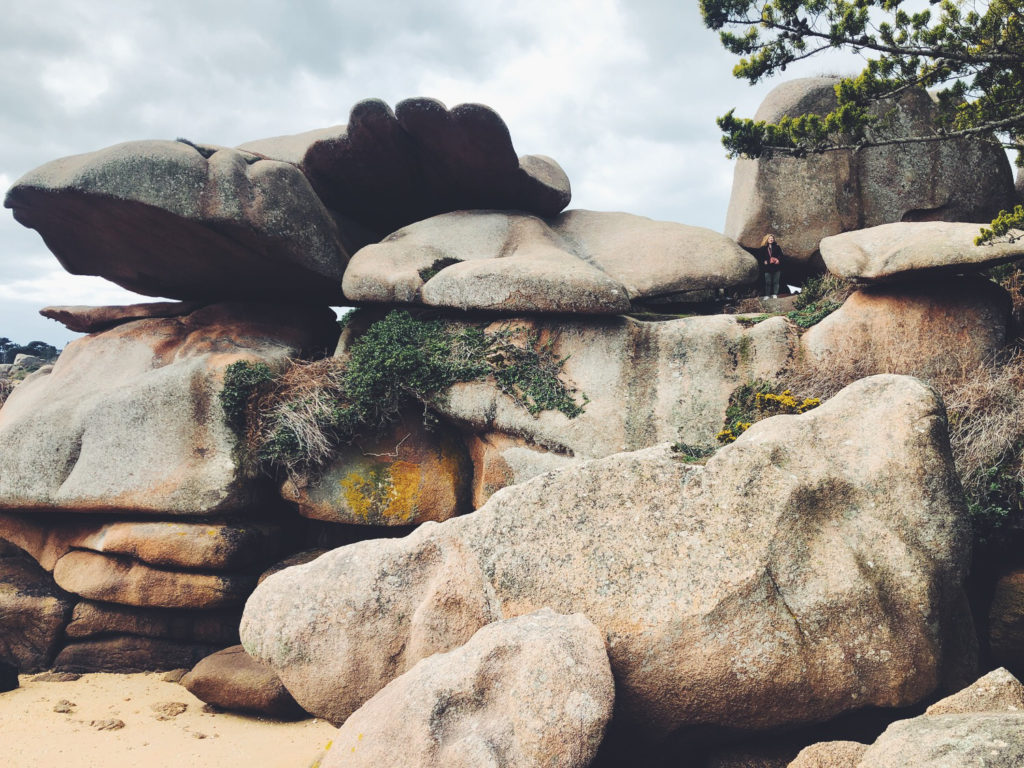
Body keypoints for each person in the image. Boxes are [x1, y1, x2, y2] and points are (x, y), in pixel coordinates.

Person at [758, 233, 784, 299]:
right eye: (769, 238)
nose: (771, 239)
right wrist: (764, 261)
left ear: (774, 240)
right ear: (767, 239)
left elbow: (781, 255)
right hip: (767, 267)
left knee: (776, 281)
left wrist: (778, 260)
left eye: (772, 238)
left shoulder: (777, 247)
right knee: (768, 282)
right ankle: (767, 295)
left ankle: (775, 294)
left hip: (776, 267)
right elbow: (760, 257)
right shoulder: (763, 248)